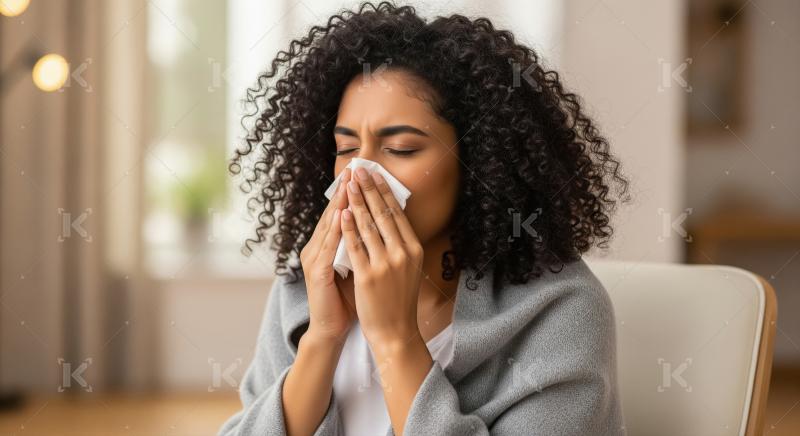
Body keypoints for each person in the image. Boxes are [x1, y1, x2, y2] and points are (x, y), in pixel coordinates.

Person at [219, 2, 631, 435]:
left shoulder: (561, 311)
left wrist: (397, 343)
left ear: (479, 164)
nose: (360, 175)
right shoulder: (302, 291)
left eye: (401, 149)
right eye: (345, 149)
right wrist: (321, 339)